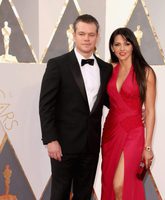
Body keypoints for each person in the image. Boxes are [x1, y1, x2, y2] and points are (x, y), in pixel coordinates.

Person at [39, 14, 112, 200]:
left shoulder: (106, 68)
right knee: (59, 194)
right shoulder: (58, 64)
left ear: (97, 36)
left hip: (91, 144)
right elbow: (46, 105)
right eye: (82, 34)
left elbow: (109, 101)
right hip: (63, 144)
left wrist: (137, 108)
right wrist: (51, 139)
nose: (86, 38)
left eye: (91, 34)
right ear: (74, 35)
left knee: (84, 194)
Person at [101, 27, 156, 200]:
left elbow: (151, 110)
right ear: (112, 48)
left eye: (126, 43)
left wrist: (148, 146)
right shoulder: (109, 69)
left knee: (121, 184)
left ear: (133, 45)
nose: (122, 48)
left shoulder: (145, 72)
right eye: (117, 44)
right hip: (111, 131)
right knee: (110, 183)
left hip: (134, 132)